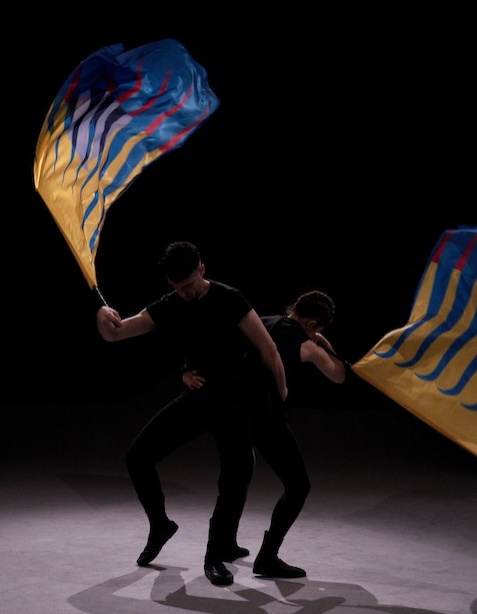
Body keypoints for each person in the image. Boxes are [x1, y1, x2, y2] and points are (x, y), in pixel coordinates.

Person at [95, 241, 287, 587]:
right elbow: (116, 333)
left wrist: (281, 394)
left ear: (201, 269)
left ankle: (215, 556)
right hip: (199, 397)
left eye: (188, 285)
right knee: (137, 457)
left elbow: (268, 348)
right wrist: (102, 318)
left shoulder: (230, 298)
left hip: (233, 401)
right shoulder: (172, 303)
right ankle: (160, 525)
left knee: (236, 476)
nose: (184, 293)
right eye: (177, 287)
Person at [182, 290, 346, 578]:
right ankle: (267, 557)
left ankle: (225, 546)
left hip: (230, 411)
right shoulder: (305, 343)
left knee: (236, 478)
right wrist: (325, 343)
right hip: (265, 418)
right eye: (316, 329)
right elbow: (338, 375)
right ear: (311, 324)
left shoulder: (258, 321)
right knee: (298, 486)